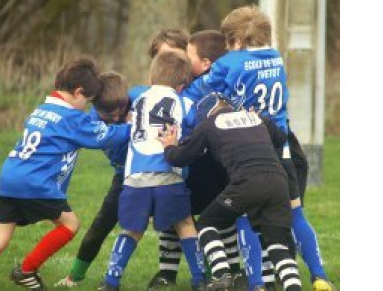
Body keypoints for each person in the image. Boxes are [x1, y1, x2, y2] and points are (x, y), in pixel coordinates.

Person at [185, 6, 334, 290]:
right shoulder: (276, 57)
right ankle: (319, 276)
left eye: (229, 41)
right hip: (281, 145)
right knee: (295, 214)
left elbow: (202, 88)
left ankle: (256, 282)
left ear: (238, 41)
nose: (227, 47)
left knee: (245, 215)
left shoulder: (230, 63)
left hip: (250, 148)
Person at [0, 58, 131, 291]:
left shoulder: (41, 109)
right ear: (78, 92)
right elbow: (106, 136)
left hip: (8, 179)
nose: (87, 107)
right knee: (70, 224)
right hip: (35, 183)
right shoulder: (71, 118)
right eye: (88, 101)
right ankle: (27, 270)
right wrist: (134, 126)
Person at [158, 93, 302, 291]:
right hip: (278, 183)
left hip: (246, 183)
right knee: (277, 245)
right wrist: (261, 118)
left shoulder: (209, 124)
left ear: (206, 113)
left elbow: (181, 158)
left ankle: (221, 273)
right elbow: (280, 138)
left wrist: (169, 147)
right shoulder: (254, 117)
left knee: (207, 223)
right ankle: (294, 286)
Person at [100, 51, 207, 291]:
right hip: (169, 176)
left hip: (135, 178)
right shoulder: (184, 101)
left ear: (152, 76)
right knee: (185, 224)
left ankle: (110, 280)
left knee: (132, 229)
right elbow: (196, 130)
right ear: (181, 86)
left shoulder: (137, 99)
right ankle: (199, 279)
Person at [55, 72, 131, 288]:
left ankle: (208, 275)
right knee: (100, 225)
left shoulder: (136, 102)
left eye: (120, 114)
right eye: (110, 117)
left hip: (152, 173)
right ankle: (74, 278)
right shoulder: (88, 121)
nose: (116, 120)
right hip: (123, 177)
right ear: (95, 106)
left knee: (181, 223)